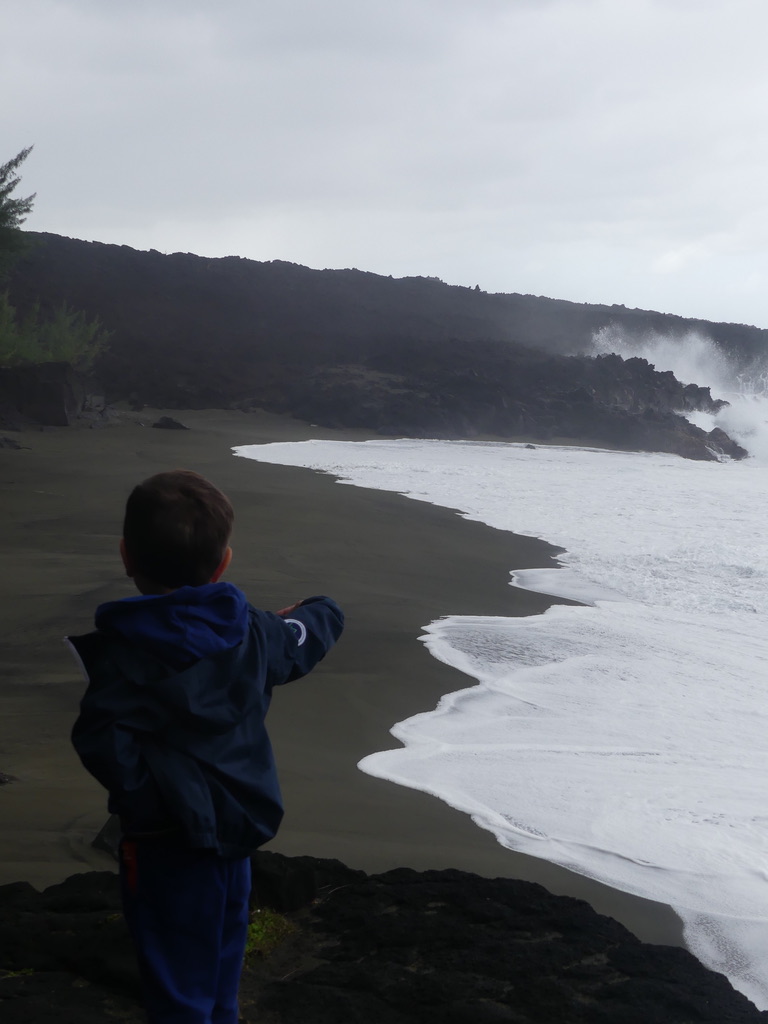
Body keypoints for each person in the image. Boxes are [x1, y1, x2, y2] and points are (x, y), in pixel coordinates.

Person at [68, 469, 344, 1024]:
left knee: (175, 978)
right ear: (223, 562)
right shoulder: (258, 633)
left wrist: (149, 806)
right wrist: (318, 607)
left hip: (165, 843)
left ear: (127, 556)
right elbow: (309, 635)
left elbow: (102, 741)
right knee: (222, 957)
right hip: (237, 826)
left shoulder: (122, 654)